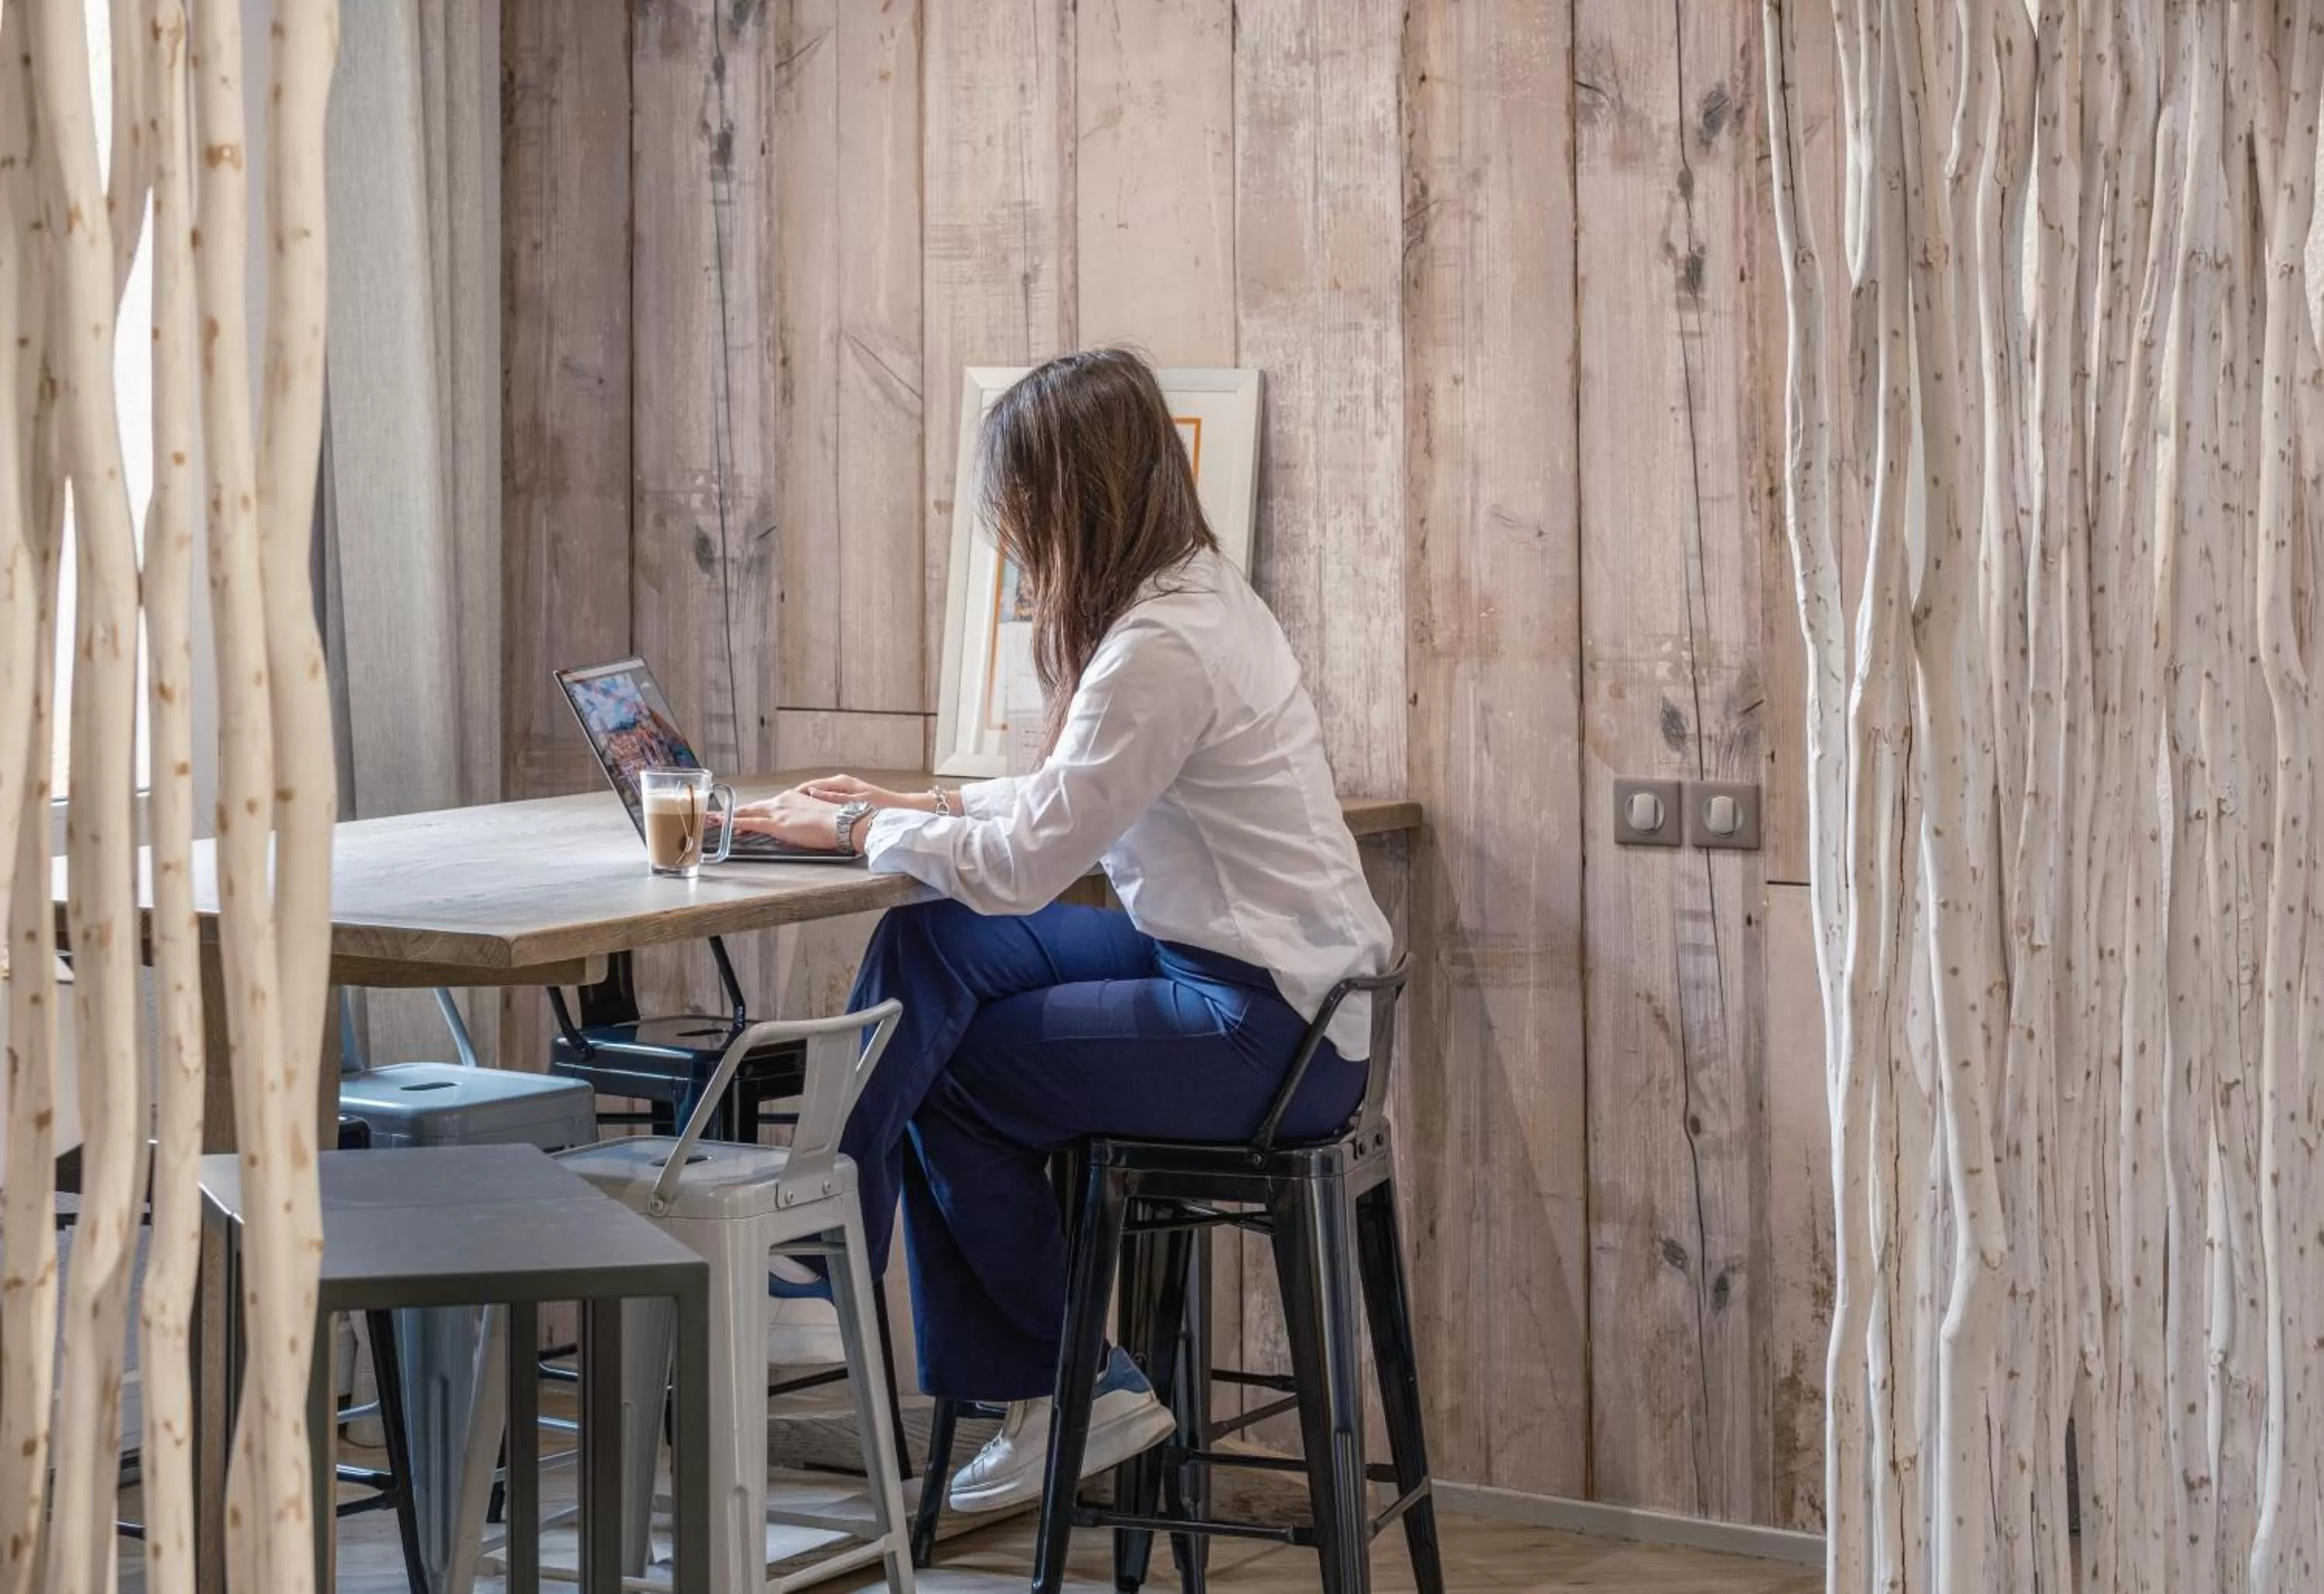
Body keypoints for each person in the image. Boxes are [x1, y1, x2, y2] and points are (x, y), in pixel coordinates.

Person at [733, 348, 1393, 1516]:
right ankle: (821, 1251)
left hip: (1270, 1032)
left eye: (1023, 502)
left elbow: (1033, 859)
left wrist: (848, 833)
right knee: (933, 950)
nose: (1013, 530)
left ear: (1071, 495)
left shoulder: (1161, 649)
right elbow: (1053, 816)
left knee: (950, 1072)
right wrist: (894, 811)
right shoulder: (1190, 601)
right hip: (1251, 980)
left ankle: (1064, 1380)